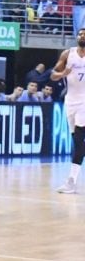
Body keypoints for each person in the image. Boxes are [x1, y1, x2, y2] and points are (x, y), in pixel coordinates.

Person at [50, 28, 85, 194]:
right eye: (80, 34)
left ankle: (71, 180)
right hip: (70, 101)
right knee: (76, 141)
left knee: (79, 139)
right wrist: (63, 73)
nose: (82, 36)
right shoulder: (67, 54)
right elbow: (52, 75)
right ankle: (71, 179)